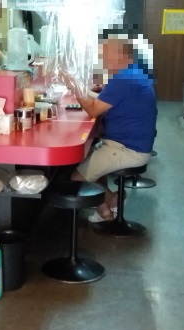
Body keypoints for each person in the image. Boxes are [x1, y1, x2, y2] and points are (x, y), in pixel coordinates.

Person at [65, 30, 157, 222]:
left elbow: (93, 111)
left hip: (127, 149)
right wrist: (91, 93)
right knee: (90, 158)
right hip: (135, 144)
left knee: (76, 177)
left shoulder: (123, 79)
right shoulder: (133, 73)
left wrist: (76, 88)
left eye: (105, 54)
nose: (102, 59)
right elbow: (107, 99)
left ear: (120, 55)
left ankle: (108, 207)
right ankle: (109, 204)